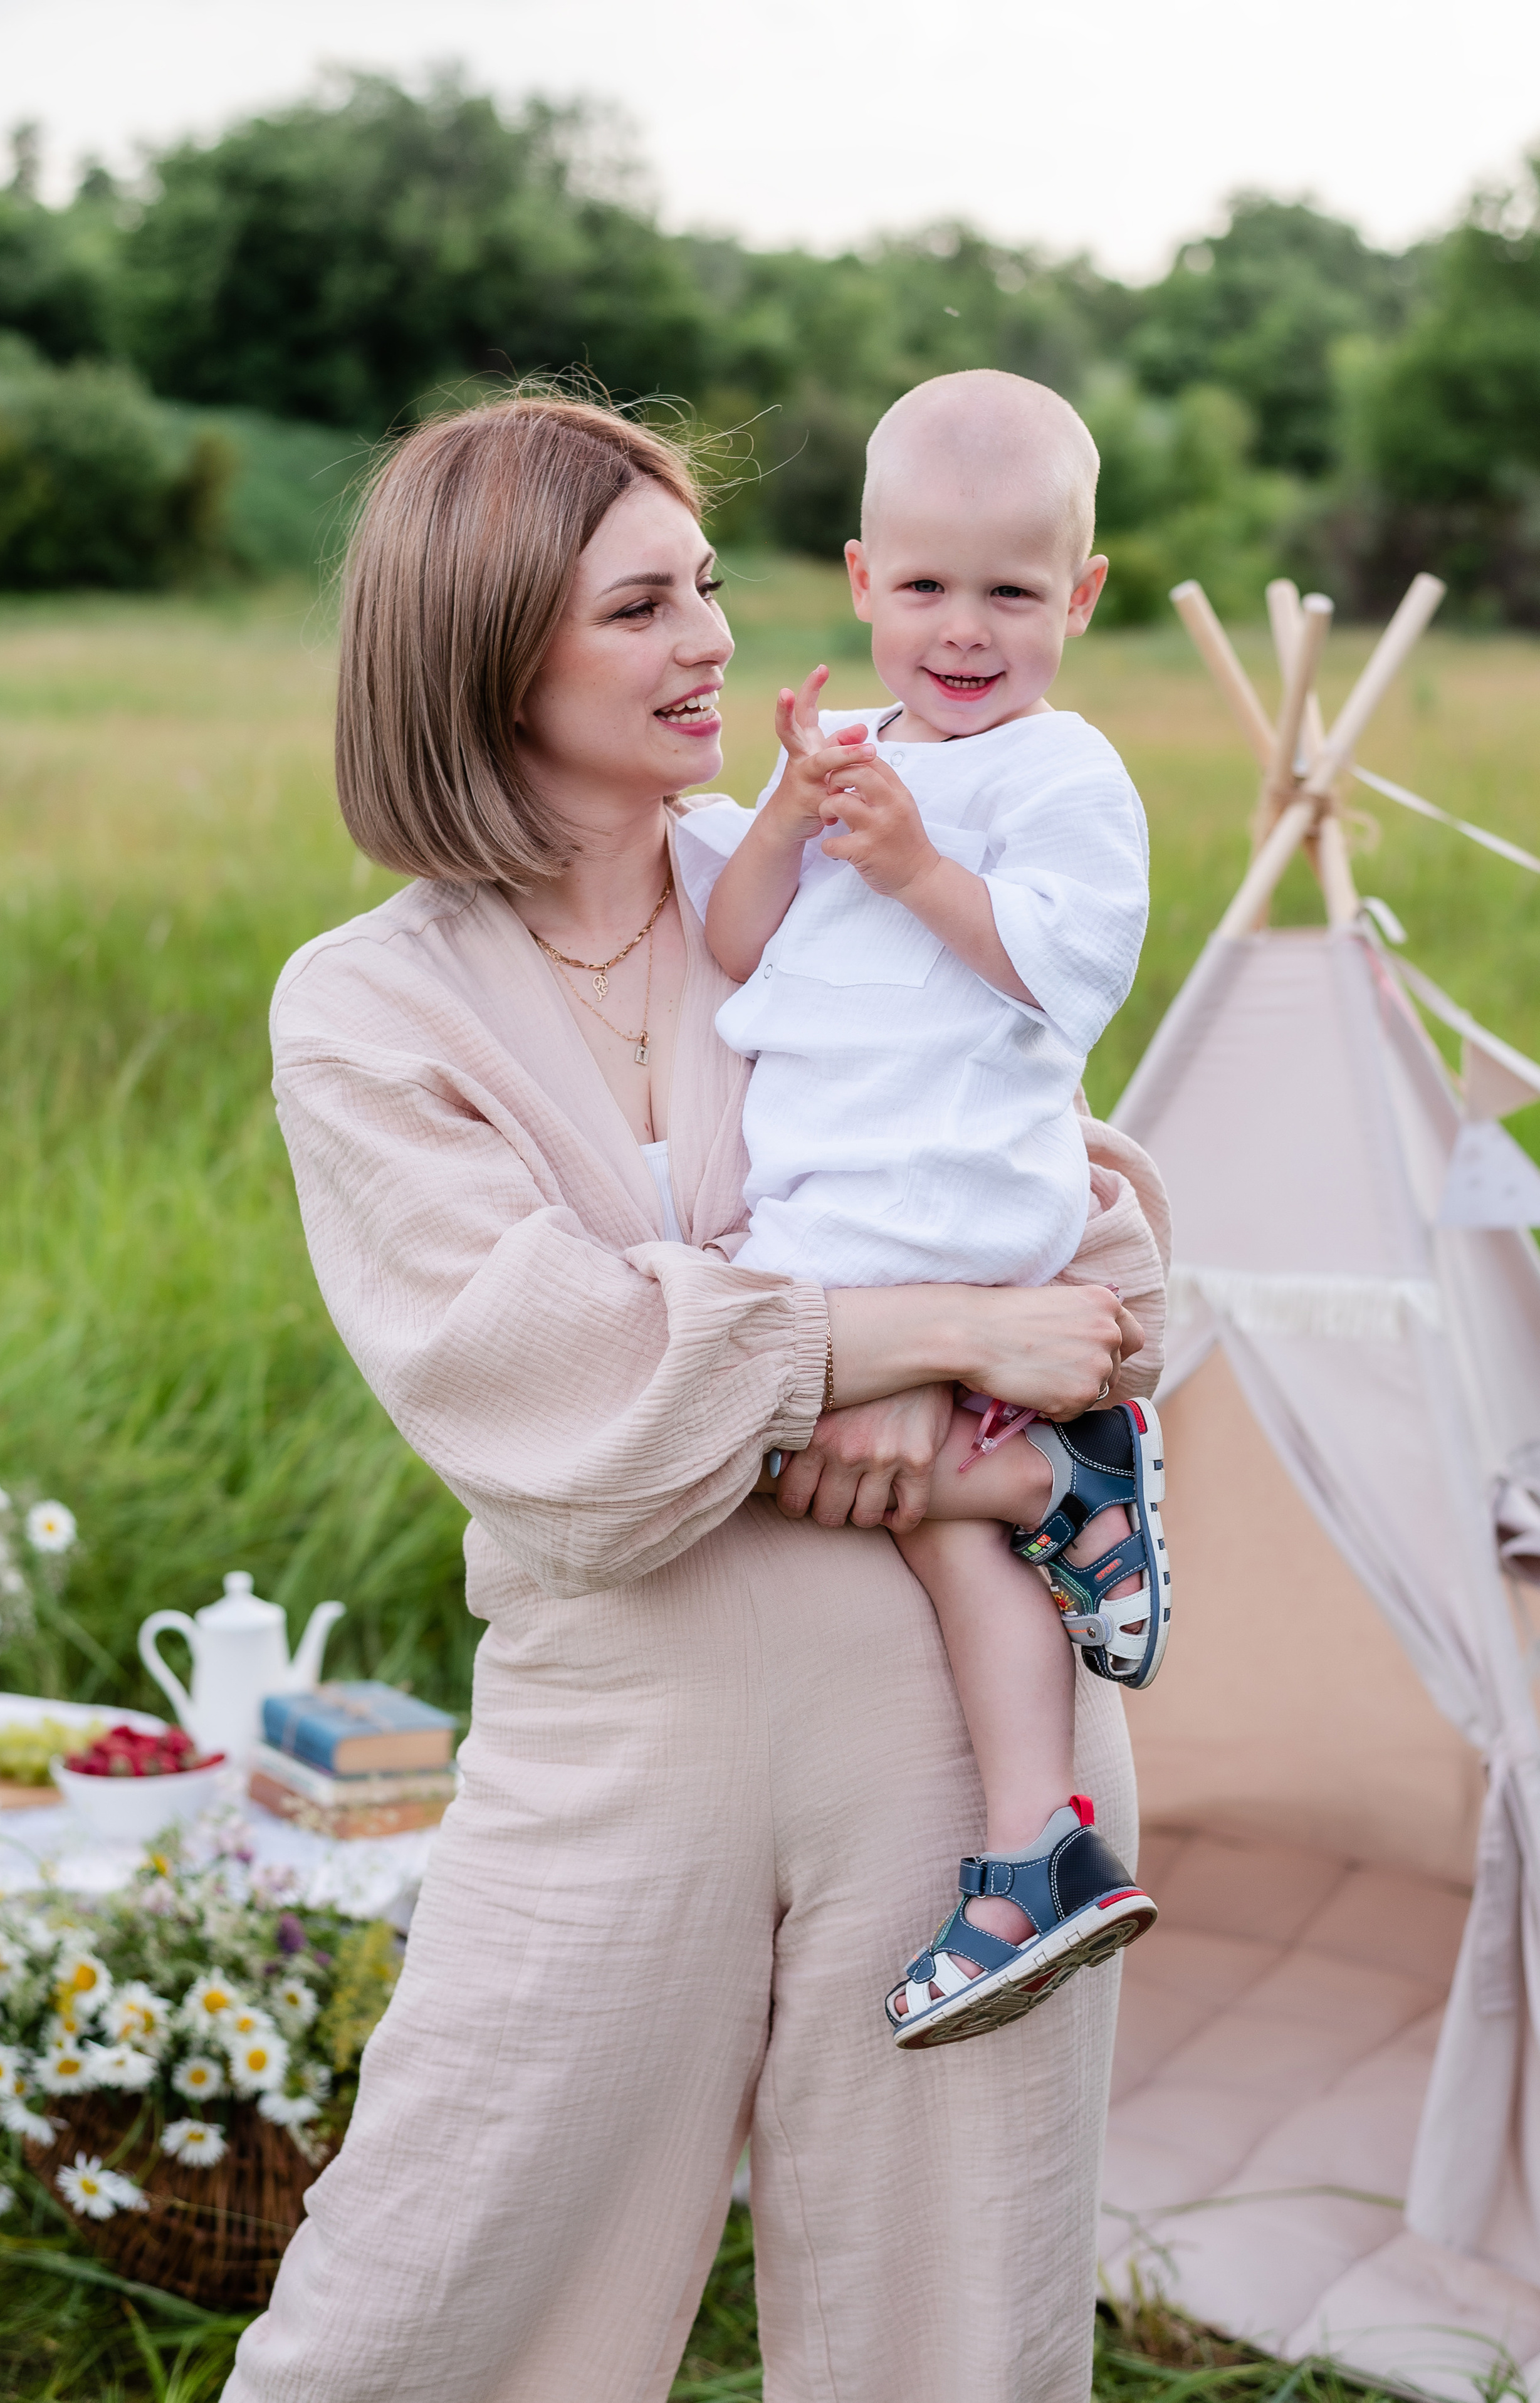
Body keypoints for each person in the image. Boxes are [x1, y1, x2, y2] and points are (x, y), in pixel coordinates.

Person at [224, 391, 1169, 2403]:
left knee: (953, 2324)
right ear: (494, 655)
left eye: (713, 587)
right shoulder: (371, 1005)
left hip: (952, 1738)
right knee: (433, 2291)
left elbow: (1101, 1230)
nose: (714, 645)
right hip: (618, 1728)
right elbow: (529, 1371)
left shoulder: (833, 862)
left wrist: (956, 1342)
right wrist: (915, 1342)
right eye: (643, 607)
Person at [678, 369, 1169, 2051]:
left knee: (736, 1423)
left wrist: (909, 869)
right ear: (865, 576)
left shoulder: (1062, 772)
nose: (966, 631)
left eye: (1013, 592)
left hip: (940, 1193)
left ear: (1078, 599)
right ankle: (1038, 1840)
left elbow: (1065, 971)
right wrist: (793, 814)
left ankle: (1062, 1463)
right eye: (929, 587)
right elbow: (736, 943)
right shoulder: (855, 756)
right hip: (844, 1202)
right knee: (943, 1525)